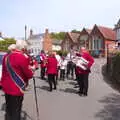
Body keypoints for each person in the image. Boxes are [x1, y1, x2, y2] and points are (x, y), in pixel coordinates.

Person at [0, 41, 34, 120]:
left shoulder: (6, 57)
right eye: (25, 49)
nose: (25, 50)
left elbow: (4, 73)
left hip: (7, 88)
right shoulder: (22, 57)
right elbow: (28, 75)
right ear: (23, 48)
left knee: (9, 110)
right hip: (17, 89)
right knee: (16, 111)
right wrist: (32, 71)